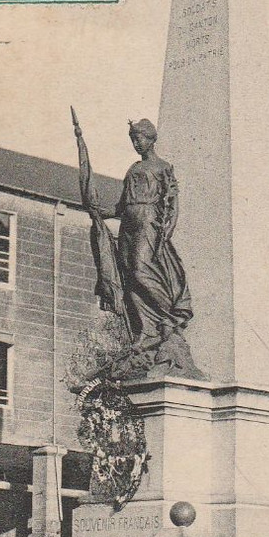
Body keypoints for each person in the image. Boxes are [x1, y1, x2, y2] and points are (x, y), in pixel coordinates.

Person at [73, 113, 197, 375]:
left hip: (148, 222)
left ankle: (170, 318)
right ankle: (146, 331)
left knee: (141, 270)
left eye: (139, 138)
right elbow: (120, 206)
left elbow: (172, 202)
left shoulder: (163, 168)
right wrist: (100, 211)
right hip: (129, 223)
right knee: (129, 277)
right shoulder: (132, 169)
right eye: (133, 139)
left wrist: (167, 230)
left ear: (151, 139)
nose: (136, 143)